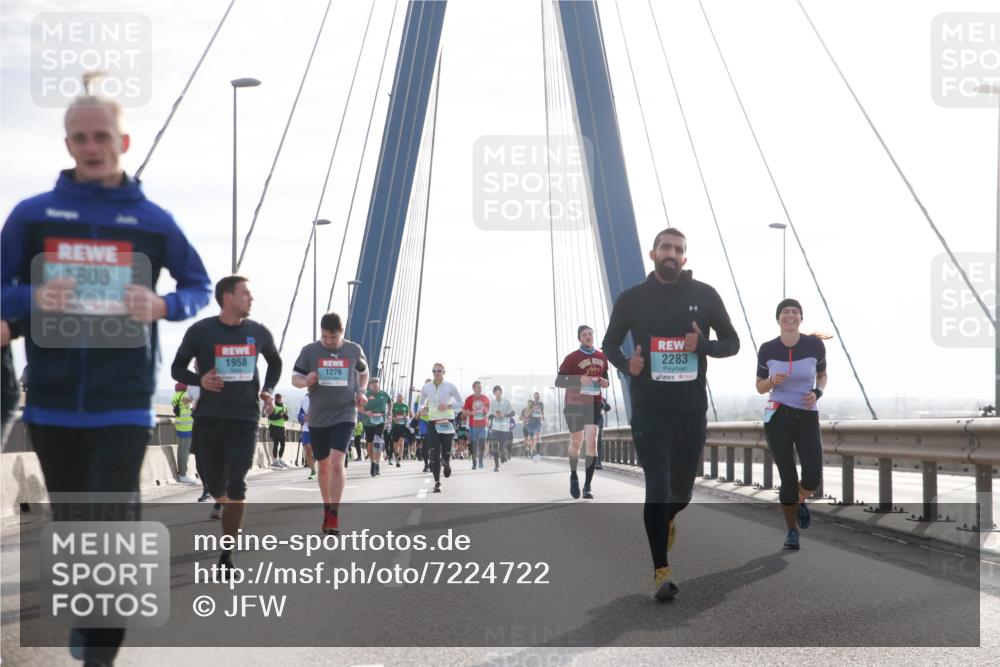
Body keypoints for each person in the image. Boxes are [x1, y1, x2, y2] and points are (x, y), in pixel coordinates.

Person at [0, 92, 213, 664]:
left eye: (102, 137)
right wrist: (33, 295)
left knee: (113, 521)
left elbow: (198, 285)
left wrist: (163, 305)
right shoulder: (32, 214)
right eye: (79, 137)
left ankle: (100, 649)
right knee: (74, 522)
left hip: (123, 403)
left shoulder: (152, 221)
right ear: (68, 145)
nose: (91, 147)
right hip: (50, 403)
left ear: (123, 143)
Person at [603, 227, 739, 601]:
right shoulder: (632, 299)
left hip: (690, 411)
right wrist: (625, 364)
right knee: (658, 490)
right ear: (652, 254)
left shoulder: (705, 295)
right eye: (666, 247)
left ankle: (670, 517)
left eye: (678, 249)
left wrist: (705, 345)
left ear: (685, 257)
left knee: (681, 494)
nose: (672, 253)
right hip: (649, 411)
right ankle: (661, 571)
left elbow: (733, 343)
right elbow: (609, 344)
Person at [171, 275, 282, 570]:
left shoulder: (258, 332)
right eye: (246, 293)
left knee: (237, 483)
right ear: (228, 297)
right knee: (213, 481)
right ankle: (218, 498)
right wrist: (200, 380)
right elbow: (176, 368)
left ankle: (227, 552)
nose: (251, 298)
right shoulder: (201, 331)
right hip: (209, 417)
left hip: (245, 418)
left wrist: (268, 390)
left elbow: (276, 361)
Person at [756, 298, 828, 550]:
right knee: (788, 477)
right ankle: (791, 531)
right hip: (778, 417)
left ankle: (797, 501)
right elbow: (759, 386)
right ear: (778, 319)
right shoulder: (767, 349)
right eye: (785, 311)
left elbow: (822, 376)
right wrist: (771, 382)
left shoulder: (814, 346)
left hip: (807, 415)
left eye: (794, 311)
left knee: (812, 478)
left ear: (800, 318)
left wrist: (817, 393)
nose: (790, 315)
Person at [292, 312, 368, 535]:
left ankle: (334, 514)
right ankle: (327, 507)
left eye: (332, 338)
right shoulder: (310, 351)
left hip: (345, 414)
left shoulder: (354, 350)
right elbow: (294, 378)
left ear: (341, 333)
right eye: (324, 337)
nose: (327, 342)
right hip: (318, 417)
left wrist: (361, 391)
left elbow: (364, 372)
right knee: (323, 466)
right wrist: (306, 380)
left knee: (337, 463)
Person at [555, 326, 609, 499]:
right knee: (577, 443)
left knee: (592, 443)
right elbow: (559, 381)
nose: (588, 336)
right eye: (584, 335)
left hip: (594, 403)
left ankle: (587, 486)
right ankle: (573, 475)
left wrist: (604, 383)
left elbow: (605, 377)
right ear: (579, 339)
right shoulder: (571, 358)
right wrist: (579, 380)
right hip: (575, 404)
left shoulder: (602, 357)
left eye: (590, 334)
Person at [418, 364, 464, 493]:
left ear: (444, 372)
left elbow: (461, 402)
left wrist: (449, 406)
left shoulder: (450, 386)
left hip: (447, 421)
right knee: (434, 451)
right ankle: (437, 482)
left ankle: (447, 462)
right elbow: (421, 402)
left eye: (439, 371)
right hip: (432, 421)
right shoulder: (426, 387)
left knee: (446, 451)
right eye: (434, 371)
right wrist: (422, 409)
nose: (436, 373)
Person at [361, 378, 391, 477]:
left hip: (380, 422)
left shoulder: (384, 394)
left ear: (378, 384)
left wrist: (389, 412)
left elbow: (389, 402)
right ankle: (372, 463)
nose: (374, 385)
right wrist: (366, 412)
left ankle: (377, 465)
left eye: (376, 383)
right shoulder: (366, 395)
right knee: (369, 445)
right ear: (369, 385)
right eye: (372, 383)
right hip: (368, 422)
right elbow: (358, 407)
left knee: (377, 442)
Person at [463, 381, 490, 470]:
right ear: (474, 388)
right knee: (474, 446)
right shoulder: (469, 399)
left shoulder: (486, 398)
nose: (480, 389)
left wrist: (486, 414)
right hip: (473, 426)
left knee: (482, 445)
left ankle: (481, 460)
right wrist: (471, 412)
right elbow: (463, 413)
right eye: (478, 387)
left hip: (483, 426)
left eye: (481, 387)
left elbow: (488, 411)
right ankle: (474, 463)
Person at [487, 385, 514, 472]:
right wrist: (494, 415)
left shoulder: (507, 402)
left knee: (502, 448)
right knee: (495, 447)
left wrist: (504, 415)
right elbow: (488, 415)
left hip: (505, 429)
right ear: (494, 393)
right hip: (495, 428)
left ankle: (503, 455)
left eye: (499, 391)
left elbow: (513, 413)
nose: (498, 392)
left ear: (501, 392)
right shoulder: (492, 403)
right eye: (496, 391)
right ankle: (496, 466)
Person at [174, 394, 196, 483]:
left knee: (181, 451)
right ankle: (183, 474)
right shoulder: (185, 395)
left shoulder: (177, 395)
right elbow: (190, 407)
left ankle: (181, 474)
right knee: (185, 452)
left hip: (180, 427)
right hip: (187, 428)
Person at [266, 393, 289, 467]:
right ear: (275, 398)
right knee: (276, 444)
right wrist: (280, 415)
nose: (280, 399)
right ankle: (275, 461)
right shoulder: (273, 406)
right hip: (274, 427)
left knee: (283, 444)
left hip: (282, 427)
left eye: (280, 398)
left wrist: (284, 415)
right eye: (278, 398)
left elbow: (286, 418)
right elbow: (271, 417)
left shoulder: (284, 407)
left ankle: (280, 459)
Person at [390, 392, 410, 467]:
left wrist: (405, 417)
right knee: (395, 444)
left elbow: (408, 416)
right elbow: (390, 414)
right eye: (398, 396)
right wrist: (393, 418)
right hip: (395, 426)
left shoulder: (405, 406)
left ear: (403, 398)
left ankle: (400, 459)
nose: (400, 398)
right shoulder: (394, 405)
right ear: (396, 397)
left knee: (401, 442)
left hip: (402, 426)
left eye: (401, 396)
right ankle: (396, 456)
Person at [298, 394, 316, 480]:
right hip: (307, 429)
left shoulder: (323, 395)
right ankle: (313, 471)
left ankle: (325, 470)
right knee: (308, 449)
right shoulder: (304, 399)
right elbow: (300, 413)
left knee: (319, 450)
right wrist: (302, 417)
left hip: (319, 427)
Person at [525, 392, 544, 462]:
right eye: (536, 397)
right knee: (532, 439)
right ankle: (532, 451)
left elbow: (542, 413)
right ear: (534, 397)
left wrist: (542, 416)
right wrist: (532, 409)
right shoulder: (530, 404)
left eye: (538, 397)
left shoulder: (541, 404)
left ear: (539, 397)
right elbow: (526, 414)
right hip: (531, 422)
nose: (537, 398)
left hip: (538, 422)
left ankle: (538, 453)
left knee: (538, 437)